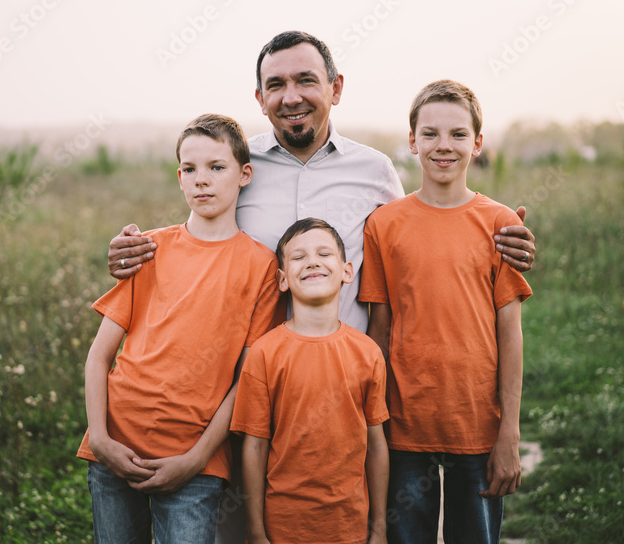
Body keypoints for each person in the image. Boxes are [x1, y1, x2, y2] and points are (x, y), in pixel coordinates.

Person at [107, 31, 538, 539]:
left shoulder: (375, 172)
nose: (291, 95)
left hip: (345, 396)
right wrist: (137, 249)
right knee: (249, 530)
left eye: (306, 80)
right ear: (260, 99)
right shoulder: (242, 168)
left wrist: (504, 239)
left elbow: (422, 239)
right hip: (245, 396)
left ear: (335, 87)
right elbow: (200, 233)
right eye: (276, 84)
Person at [76, 114, 282, 544]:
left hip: (194, 463)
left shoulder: (261, 265)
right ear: (179, 177)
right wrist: (99, 438)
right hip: (115, 445)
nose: (201, 180)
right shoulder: (148, 248)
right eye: (190, 169)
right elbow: (99, 356)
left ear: (245, 174)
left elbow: (244, 381)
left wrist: (197, 458)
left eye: (216, 167)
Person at [359, 80, 533, 544]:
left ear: (477, 144)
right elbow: (380, 326)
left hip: (476, 422)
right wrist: (371, 419)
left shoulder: (500, 224)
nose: (444, 146)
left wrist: (509, 434)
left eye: (458, 134)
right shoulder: (384, 224)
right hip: (403, 422)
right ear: (412, 140)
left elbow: (510, 333)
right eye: (430, 133)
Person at [231, 218, 389, 544]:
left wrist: (380, 527)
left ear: (347, 271)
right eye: (299, 257)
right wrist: (256, 531)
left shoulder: (368, 353)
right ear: (282, 279)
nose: (313, 261)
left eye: (323, 254)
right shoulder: (264, 354)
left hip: (351, 526)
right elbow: (255, 447)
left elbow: (376, 445)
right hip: (282, 527)